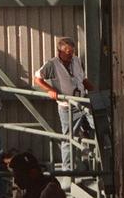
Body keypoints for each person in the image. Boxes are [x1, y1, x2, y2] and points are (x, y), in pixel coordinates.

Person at [34, 37, 93, 170]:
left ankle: (91, 162)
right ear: (59, 51)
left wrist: (94, 92)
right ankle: (68, 169)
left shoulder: (77, 60)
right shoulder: (52, 64)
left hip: (83, 101)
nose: (70, 55)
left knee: (96, 126)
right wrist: (50, 90)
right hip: (68, 106)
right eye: (67, 52)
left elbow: (83, 79)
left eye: (72, 52)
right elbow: (37, 78)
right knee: (69, 136)